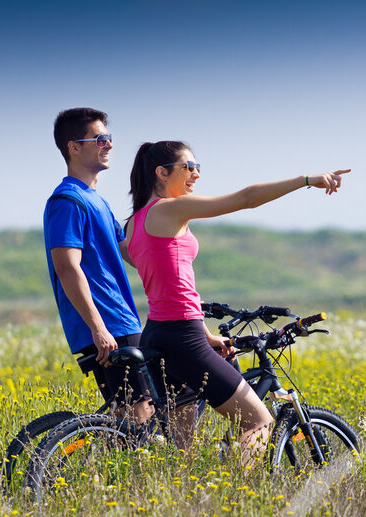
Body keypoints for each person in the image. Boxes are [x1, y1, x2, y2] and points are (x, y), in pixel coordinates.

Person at [124, 140, 349, 464]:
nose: (196, 174)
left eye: (198, 167)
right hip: (183, 337)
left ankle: (191, 505)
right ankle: (238, 501)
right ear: (161, 172)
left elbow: (171, 286)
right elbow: (246, 199)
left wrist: (206, 333)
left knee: (181, 453)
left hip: (159, 332)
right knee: (259, 421)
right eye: (189, 167)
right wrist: (306, 180)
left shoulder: (134, 224)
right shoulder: (170, 209)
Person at [43, 107, 151, 421]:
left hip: (122, 321)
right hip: (108, 327)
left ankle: (105, 464)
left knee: (142, 414)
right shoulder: (67, 201)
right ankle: (111, 470)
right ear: (74, 147)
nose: (109, 145)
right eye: (99, 139)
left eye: (109, 138)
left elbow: (132, 254)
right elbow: (67, 268)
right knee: (137, 417)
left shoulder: (98, 201)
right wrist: (98, 328)